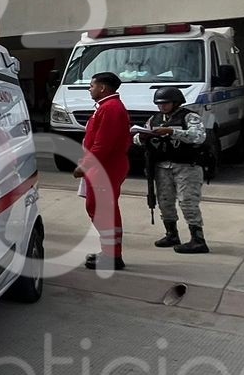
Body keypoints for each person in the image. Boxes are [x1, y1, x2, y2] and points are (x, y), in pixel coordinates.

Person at [135, 86, 210, 254]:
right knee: (165, 201)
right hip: (162, 166)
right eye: (159, 104)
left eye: (166, 103)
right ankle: (171, 234)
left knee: (188, 201)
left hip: (186, 166)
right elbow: (137, 138)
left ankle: (198, 239)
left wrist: (171, 131)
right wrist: (142, 136)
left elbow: (198, 136)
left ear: (176, 102)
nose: (162, 107)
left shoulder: (189, 116)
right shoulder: (154, 119)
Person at [75, 71, 131, 272]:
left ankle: (113, 255)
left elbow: (103, 144)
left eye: (92, 86)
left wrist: (85, 165)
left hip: (106, 167)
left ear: (102, 88)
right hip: (104, 166)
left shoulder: (111, 108)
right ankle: (110, 252)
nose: (90, 89)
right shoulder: (107, 107)